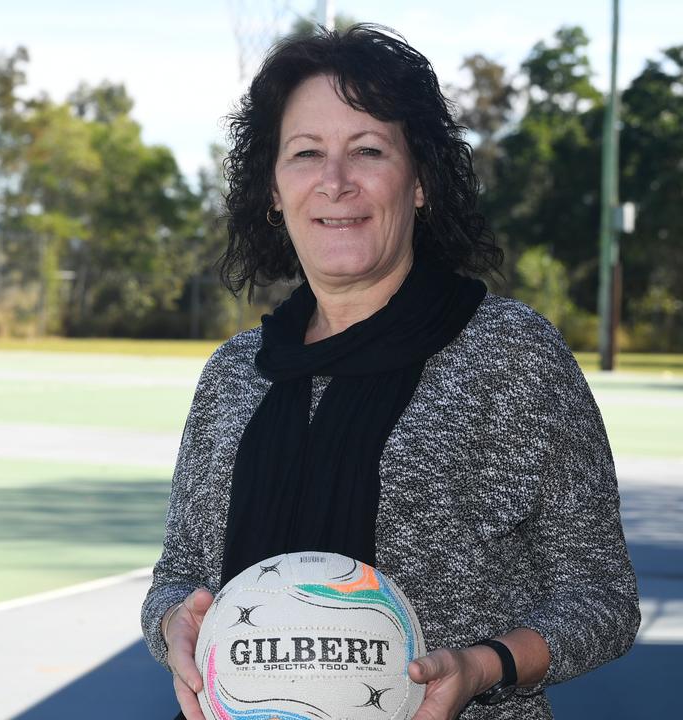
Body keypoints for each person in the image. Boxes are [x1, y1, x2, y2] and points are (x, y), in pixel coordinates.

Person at [142, 24, 640, 720]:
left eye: (368, 150)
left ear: (421, 183)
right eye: (306, 153)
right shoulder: (235, 373)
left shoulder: (510, 354)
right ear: (274, 192)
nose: (335, 181)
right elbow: (177, 579)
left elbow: (603, 598)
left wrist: (483, 665)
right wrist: (175, 628)